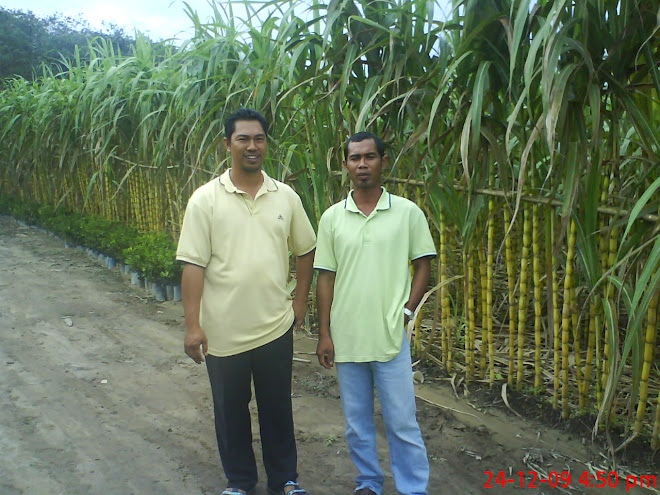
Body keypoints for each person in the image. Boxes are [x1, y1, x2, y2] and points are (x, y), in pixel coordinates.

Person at [176, 108, 315, 495]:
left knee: (277, 409)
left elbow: (306, 250)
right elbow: (192, 265)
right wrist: (192, 325)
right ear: (227, 144)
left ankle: (285, 480)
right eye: (243, 139)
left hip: (274, 325)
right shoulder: (205, 200)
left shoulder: (285, 196)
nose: (252, 146)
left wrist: (299, 302)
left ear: (266, 144)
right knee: (230, 410)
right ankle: (239, 482)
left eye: (259, 139)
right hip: (222, 330)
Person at [314, 132, 435, 495]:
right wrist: (324, 333)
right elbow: (325, 278)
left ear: (383, 161)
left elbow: (423, 264)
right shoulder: (333, 218)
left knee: (401, 421)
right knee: (356, 422)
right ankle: (368, 481)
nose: (362, 164)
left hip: (389, 336)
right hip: (347, 336)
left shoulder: (407, 212)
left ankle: (413, 488)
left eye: (369, 157)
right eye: (355, 158)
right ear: (346, 165)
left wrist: (408, 309)